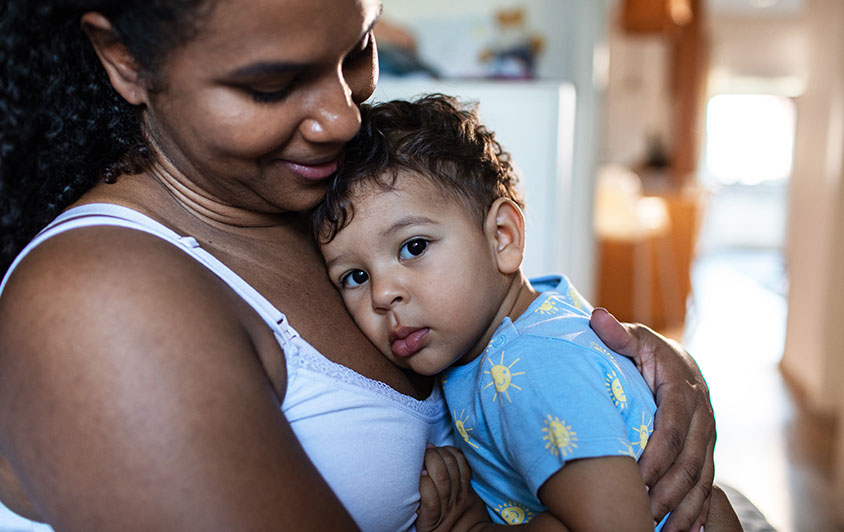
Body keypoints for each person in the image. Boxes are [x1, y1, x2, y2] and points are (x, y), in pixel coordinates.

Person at [0, 1, 716, 530]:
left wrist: (648, 372)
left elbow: (502, 321)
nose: (343, 117)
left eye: (358, 48)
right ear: (124, 60)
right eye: (273, 85)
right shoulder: (98, 302)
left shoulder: (316, 203)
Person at [314, 95, 740, 531]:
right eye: (354, 276)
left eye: (414, 247)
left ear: (503, 237)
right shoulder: (546, 316)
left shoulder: (525, 366)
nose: (382, 294)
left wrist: (474, 527)